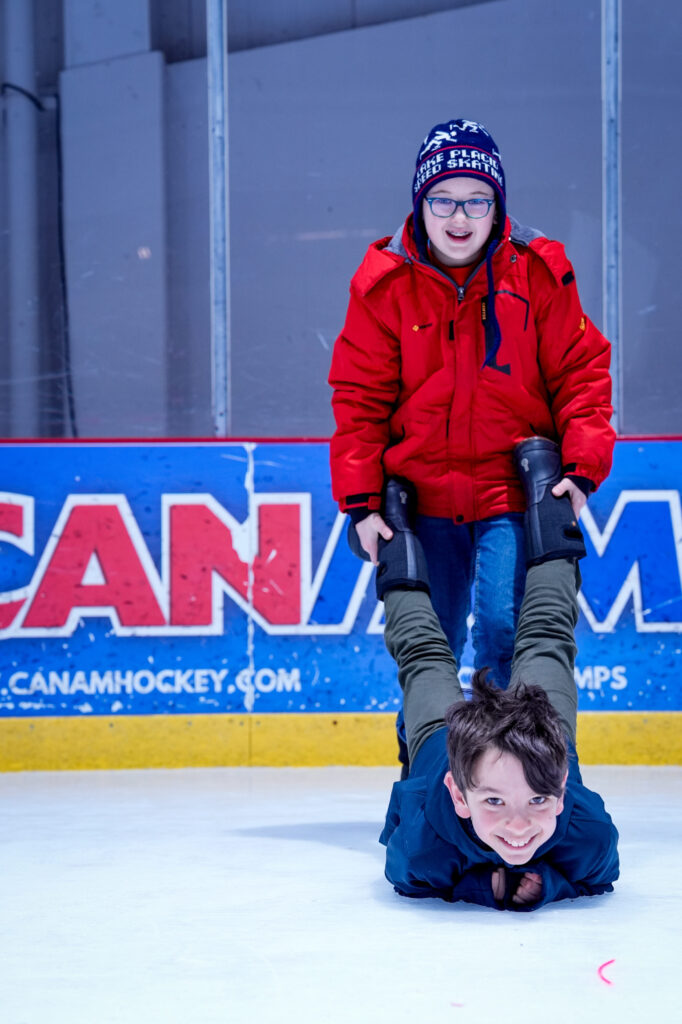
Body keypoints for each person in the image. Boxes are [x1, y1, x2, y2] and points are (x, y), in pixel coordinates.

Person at [328, 118, 615, 697]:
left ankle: (514, 778)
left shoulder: (537, 273)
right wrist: (361, 503)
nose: (459, 219)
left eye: (477, 201)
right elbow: (359, 402)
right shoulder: (383, 286)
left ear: (497, 205)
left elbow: (581, 373)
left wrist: (581, 470)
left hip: (511, 497)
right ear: (420, 202)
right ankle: (431, 776)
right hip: (424, 502)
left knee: (507, 635)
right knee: (428, 651)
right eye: (443, 200)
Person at [364, 439, 619, 911]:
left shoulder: (425, 854)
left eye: (538, 800)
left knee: (424, 656)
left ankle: (397, 539)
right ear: (460, 797)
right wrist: (547, 880)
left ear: (562, 792)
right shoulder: (587, 841)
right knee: (546, 636)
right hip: (528, 732)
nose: (519, 828)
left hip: (441, 742)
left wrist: (485, 887)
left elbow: (403, 852)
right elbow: (601, 872)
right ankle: (547, 503)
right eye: (496, 801)